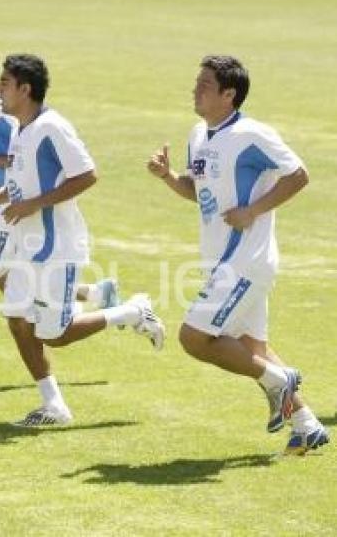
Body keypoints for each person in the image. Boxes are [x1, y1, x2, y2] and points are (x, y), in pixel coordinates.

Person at [0, 54, 165, 427]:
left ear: (25, 89)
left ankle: (131, 312)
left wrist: (34, 204)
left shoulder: (53, 128)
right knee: (18, 320)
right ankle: (54, 406)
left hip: (56, 247)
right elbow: (21, 184)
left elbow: (86, 176)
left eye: (5, 83)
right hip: (27, 245)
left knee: (57, 334)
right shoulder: (22, 128)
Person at [146, 54, 328, 455]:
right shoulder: (198, 134)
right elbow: (200, 193)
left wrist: (253, 211)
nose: (196, 89)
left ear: (229, 94)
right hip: (221, 262)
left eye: (205, 85)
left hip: (247, 260)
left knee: (194, 337)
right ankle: (307, 425)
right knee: (253, 349)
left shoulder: (252, 134)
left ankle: (280, 380)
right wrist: (168, 178)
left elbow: (299, 174)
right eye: (197, 82)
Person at [0, 38, 120, 381]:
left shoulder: (10, 117)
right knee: (14, 298)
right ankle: (95, 295)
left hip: (10, 220)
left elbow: (33, 161)